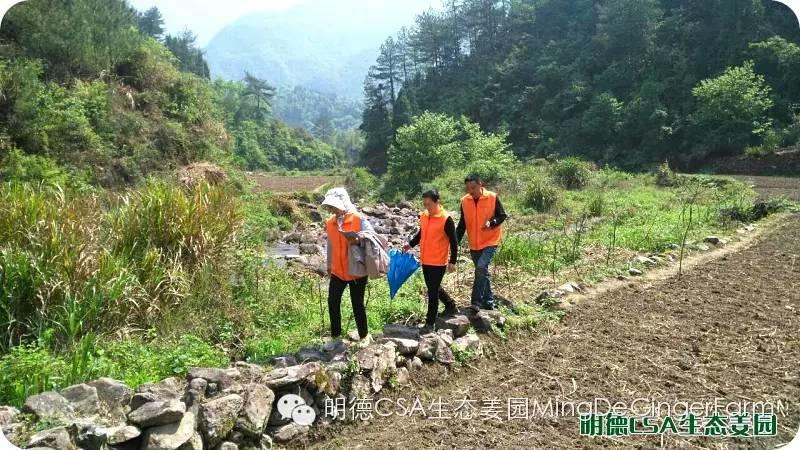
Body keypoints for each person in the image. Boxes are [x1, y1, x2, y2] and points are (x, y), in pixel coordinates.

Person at [321, 188, 374, 351]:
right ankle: (336, 337)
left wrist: (358, 239)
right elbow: (330, 244)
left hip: (356, 269)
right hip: (338, 270)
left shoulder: (358, 219)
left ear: (343, 204)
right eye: (330, 207)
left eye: (334, 207)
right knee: (333, 300)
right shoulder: (330, 223)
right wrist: (329, 265)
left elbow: (373, 239)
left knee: (357, 303)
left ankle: (364, 336)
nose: (332, 210)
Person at [403, 190, 459, 333]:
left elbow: (454, 241)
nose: (427, 207)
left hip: (439, 261)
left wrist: (453, 261)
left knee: (432, 291)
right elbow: (421, 233)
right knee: (433, 286)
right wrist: (410, 244)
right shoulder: (425, 216)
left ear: (437, 202)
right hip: (426, 259)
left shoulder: (446, 219)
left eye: (429, 204)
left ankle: (430, 323)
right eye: (425, 204)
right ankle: (450, 305)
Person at [456, 174, 508, 312]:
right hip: (474, 242)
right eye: (468, 188)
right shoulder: (464, 201)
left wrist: (491, 222)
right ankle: (489, 302)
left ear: (481, 185)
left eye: (473, 187)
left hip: (490, 240)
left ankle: (476, 302)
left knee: (480, 268)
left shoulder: (492, 197)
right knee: (482, 271)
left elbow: (502, 215)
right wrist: (455, 241)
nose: (470, 191)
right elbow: (462, 223)